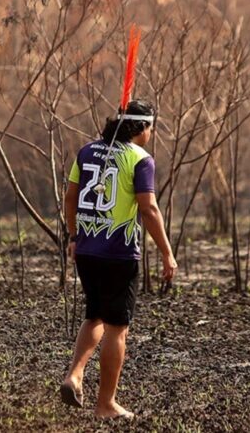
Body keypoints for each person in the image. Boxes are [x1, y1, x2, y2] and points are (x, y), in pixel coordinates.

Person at [59, 99, 177, 419]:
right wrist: (167, 253)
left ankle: (75, 375)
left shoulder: (86, 151)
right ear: (141, 128)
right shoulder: (141, 159)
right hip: (118, 254)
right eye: (151, 128)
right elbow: (149, 209)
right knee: (117, 328)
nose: (152, 134)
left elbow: (70, 196)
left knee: (94, 315)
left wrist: (73, 236)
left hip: (86, 250)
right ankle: (105, 405)